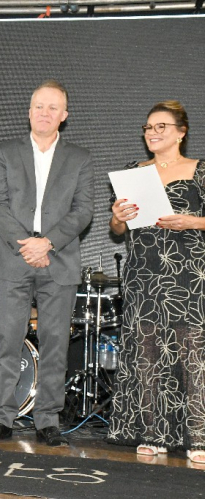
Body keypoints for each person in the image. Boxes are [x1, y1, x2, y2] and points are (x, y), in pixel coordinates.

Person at [0, 79, 94, 446]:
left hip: (58, 260)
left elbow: (84, 211)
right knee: (6, 340)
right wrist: (27, 245)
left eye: (52, 107)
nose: (44, 113)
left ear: (64, 115)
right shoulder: (5, 152)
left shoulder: (80, 158)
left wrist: (48, 243)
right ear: (29, 112)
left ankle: (48, 419)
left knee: (55, 343)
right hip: (13, 258)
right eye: (39, 106)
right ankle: (2, 416)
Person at [107, 100, 205, 464]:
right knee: (146, 355)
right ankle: (153, 433)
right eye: (148, 127)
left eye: (161, 126)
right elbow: (117, 229)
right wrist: (118, 216)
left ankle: (198, 437)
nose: (153, 132)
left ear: (181, 132)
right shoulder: (133, 173)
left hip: (188, 276)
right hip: (144, 274)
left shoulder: (199, 171)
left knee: (192, 355)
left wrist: (192, 222)